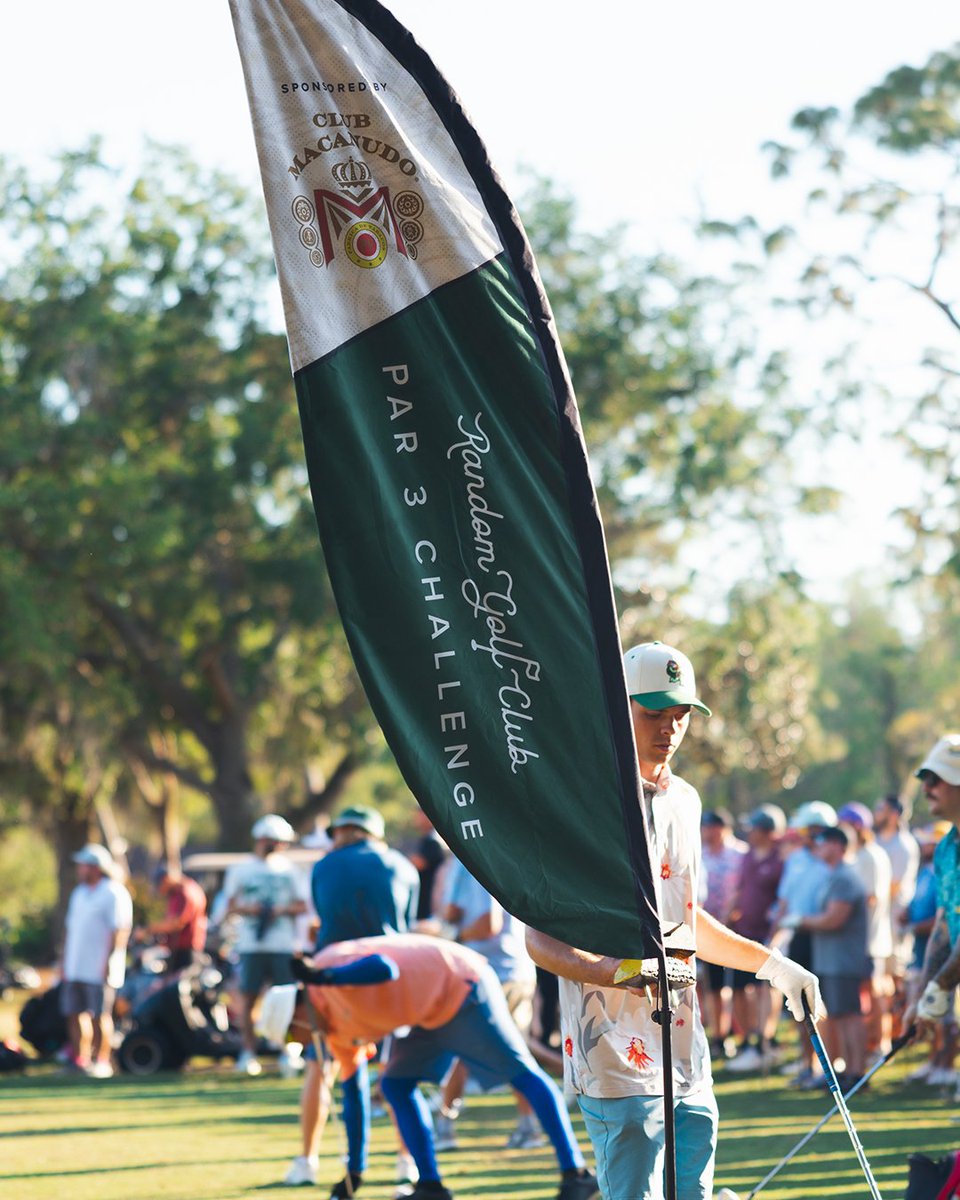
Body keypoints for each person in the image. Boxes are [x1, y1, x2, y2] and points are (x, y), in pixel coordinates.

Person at [525, 641, 824, 1200]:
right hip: (612, 1050)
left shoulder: (686, 800)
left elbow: (686, 920)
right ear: (617, 710)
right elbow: (540, 938)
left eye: (681, 714)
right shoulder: (580, 803)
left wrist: (774, 966)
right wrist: (621, 972)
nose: (670, 728)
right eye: (654, 713)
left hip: (685, 1046)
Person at [259, 934, 600, 1200]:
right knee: (395, 1085)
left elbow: (383, 968)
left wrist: (324, 976)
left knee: (522, 1073)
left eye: (291, 1035)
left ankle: (577, 1174)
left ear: (296, 1015)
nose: (299, 1042)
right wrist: (354, 1175)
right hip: (427, 1012)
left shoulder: (324, 968)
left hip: (460, 983)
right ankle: (430, 1185)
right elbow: (355, 1097)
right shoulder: (332, 1031)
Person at [285, 805, 420, 1191]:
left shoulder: (323, 866)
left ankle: (307, 1161)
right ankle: (407, 1160)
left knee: (321, 1067)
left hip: (334, 977)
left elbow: (323, 918)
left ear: (341, 832)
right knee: (397, 1071)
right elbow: (406, 927)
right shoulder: (402, 865)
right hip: (389, 975)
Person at [432, 859, 542, 1152]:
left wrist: (451, 934)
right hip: (513, 969)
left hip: (492, 973)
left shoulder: (473, 858)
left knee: (465, 1048)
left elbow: (487, 923)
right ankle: (529, 1125)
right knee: (514, 1052)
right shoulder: (498, 854)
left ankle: (445, 1125)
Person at [782, 825, 871, 1089]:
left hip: (843, 959)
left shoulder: (844, 877)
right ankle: (847, 1072)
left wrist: (801, 921)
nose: (817, 847)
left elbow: (833, 920)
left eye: (822, 842)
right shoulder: (834, 876)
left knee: (849, 1016)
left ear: (837, 845)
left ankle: (857, 1073)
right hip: (832, 959)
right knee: (839, 1016)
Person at [222, 812, 309, 1076]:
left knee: (287, 1000)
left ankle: (288, 1052)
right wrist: (251, 909)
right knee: (248, 999)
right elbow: (229, 905)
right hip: (251, 944)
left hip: (282, 944)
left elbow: (302, 905)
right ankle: (248, 1052)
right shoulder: (241, 869)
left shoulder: (290, 870)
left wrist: (280, 910)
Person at [904, 735, 960, 1104]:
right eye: (925, 778)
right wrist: (925, 992)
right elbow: (944, 924)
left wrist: (938, 989)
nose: (926, 788)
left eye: (936, 779)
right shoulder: (946, 848)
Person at [771, 800, 836, 1086]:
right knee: (799, 1003)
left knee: (823, 1004)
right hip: (797, 938)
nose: (803, 835)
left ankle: (828, 1066)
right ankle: (807, 1065)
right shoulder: (796, 859)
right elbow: (784, 902)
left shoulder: (830, 862)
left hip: (824, 938)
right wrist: (774, 935)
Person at [60, 843, 133, 1078]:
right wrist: (63, 961)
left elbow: (120, 930)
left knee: (101, 1015)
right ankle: (81, 1060)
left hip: (100, 968)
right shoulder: (79, 893)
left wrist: (108, 962)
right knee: (75, 1013)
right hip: (75, 967)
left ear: (95, 868)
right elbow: (70, 930)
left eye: (83, 865)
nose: (79, 869)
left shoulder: (113, 892)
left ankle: (102, 1061)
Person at [726, 806, 785, 1071]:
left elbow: (783, 899)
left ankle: (765, 1040)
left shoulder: (780, 858)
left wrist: (776, 933)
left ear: (767, 831)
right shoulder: (748, 856)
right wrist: (728, 915)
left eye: (754, 828)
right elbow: (740, 889)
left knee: (766, 988)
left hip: (768, 934)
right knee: (740, 988)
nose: (750, 833)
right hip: (744, 930)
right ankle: (749, 1039)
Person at [901, 823, 957, 1085]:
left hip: (949, 955)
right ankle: (934, 1061)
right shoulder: (929, 869)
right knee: (932, 1013)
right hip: (926, 950)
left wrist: (913, 927)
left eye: (929, 841)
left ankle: (946, 1065)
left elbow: (941, 918)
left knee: (947, 1015)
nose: (925, 845)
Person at [837, 802, 893, 1058]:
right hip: (857, 938)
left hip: (871, 937)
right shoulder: (857, 854)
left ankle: (881, 1043)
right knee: (864, 992)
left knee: (875, 990)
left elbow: (871, 896)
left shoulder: (871, 855)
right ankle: (870, 1043)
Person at [698, 809, 746, 1060]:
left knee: (733, 987)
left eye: (711, 827)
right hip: (706, 927)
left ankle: (739, 1034)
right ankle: (718, 1035)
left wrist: (733, 912)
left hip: (735, 928)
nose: (707, 832)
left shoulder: (740, 854)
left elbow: (745, 890)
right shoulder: (700, 853)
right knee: (713, 986)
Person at [140, 863, 208, 972]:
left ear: (166, 879)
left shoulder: (185, 892)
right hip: (182, 949)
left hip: (186, 951)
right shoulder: (181, 891)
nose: (160, 890)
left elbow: (176, 923)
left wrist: (148, 929)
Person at [406, 807, 450, 922]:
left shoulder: (433, 840)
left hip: (428, 903)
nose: (416, 817)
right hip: (431, 902)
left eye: (419, 813)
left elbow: (416, 864)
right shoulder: (432, 838)